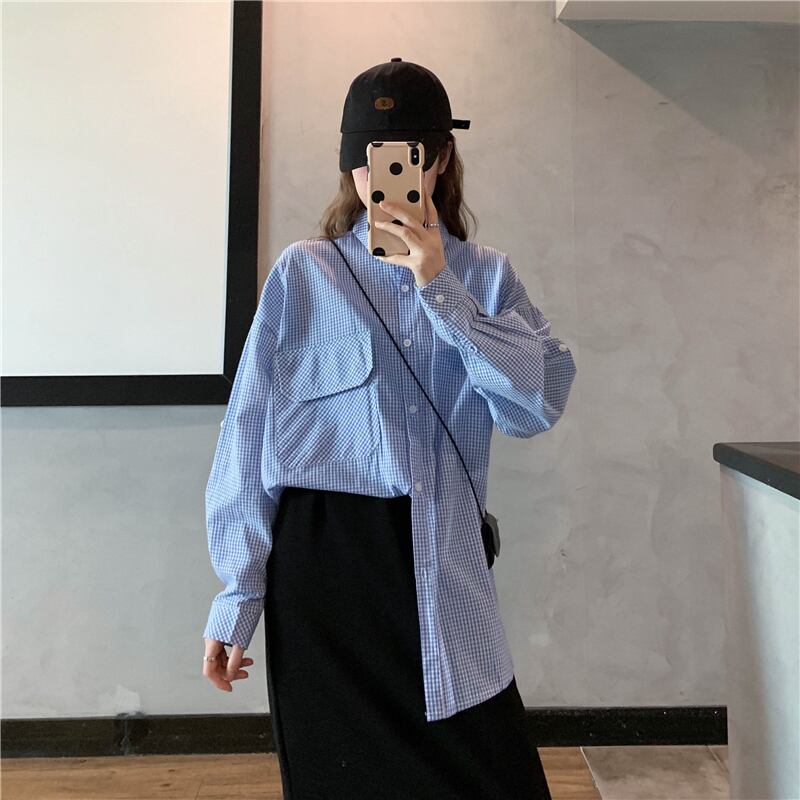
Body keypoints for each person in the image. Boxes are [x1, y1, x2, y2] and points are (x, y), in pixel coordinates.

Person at [201, 57, 576, 799]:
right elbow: (247, 435)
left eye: (406, 155)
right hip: (323, 563)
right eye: (371, 157)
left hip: (440, 548)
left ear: (439, 159)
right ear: (351, 165)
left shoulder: (486, 276)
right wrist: (237, 595)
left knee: (491, 773)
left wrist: (440, 287)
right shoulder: (304, 273)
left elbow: (536, 404)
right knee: (341, 778)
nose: (387, 175)